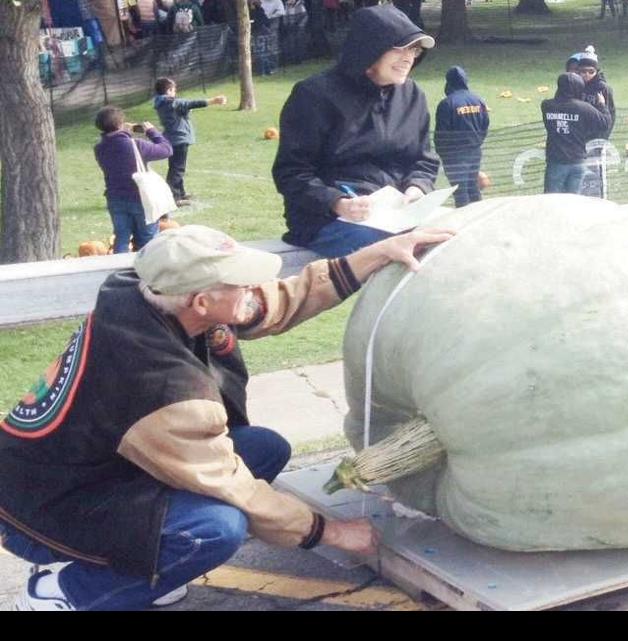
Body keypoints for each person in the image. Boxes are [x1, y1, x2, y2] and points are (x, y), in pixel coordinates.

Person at [0, 224, 454, 611]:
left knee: (264, 448)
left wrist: (382, 250)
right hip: (40, 510)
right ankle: (63, 592)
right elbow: (231, 484)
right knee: (215, 531)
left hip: (95, 469)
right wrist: (329, 531)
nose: (252, 291)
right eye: (239, 284)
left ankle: (137, 561)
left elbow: (287, 298)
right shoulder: (159, 386)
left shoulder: (152, 294)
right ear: (200, 302)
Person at [273, 4, 440, 257]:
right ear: (370, 48)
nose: (408, 58)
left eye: (414, 50)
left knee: (453, 236)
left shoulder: (412, 95)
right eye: (400, 48)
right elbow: (292, 172)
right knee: (403, 250)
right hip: (327, 219)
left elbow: (423, 160)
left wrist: (417, 189)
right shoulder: (313, 95)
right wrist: (338, 202)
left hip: (398, 213)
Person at [92, 106, 173, 253]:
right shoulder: (136, 144)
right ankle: (145, 271)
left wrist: (123, 132)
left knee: (121, 238)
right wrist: (152, 132)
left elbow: (117, 148)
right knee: (147, 240)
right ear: (119, 124)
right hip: (140, 198)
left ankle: (118, 269)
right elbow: (166, 150)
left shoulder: (99, 148)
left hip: (115, 198)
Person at [152, 77, 227, 206]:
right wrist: (213, 101)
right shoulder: (171, 102)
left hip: (173, 138)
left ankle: (180, 192)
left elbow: (181, 109)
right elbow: (190, 103)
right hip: (179, 139)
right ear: (169, 90)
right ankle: (174, 197)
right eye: (174, 90)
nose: (175, 93)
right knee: (177, 169)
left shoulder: (163, 103)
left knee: (176, 167)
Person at [541, 72, 612, 195]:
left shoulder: (547, 106)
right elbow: (605, 123)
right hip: (577, 161)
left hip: (556, 161)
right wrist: (601, 104)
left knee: (551, 200)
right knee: (573, 201)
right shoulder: (583, 108)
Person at [434, 66, 490, 208]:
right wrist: (477, 142)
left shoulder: (447, 104)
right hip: (475, 152)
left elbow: (441, 134)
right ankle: (480, 217)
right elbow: (485, 125)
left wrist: (443, 154)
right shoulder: (478, 100)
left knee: (460, 192)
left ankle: (463, 223)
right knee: (473, 187)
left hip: (454, 156)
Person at [573, 49, 616, 198]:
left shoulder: (603, 89)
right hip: (578, 138)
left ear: (596, 71)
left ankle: (599, 199)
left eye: (590, 72)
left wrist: (602, 139)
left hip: (596, 138)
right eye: (583, 71)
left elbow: (610, 115)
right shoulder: (574, 87)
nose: (586, 75)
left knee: (595, 171)